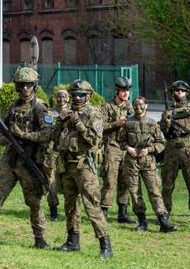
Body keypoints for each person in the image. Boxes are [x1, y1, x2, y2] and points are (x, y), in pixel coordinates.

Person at [0, 67, 53, 248]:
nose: (25, 89)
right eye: (21, 86)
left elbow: (48, 133)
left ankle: (40, 238)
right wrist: (3, 137)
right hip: (10, 158)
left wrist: (24, 136)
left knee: (34, 201)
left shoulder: (40, 107)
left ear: (34, 86)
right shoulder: (13, 106)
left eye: (28, 86)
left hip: (30, 159)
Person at [53, 80, 112, 259]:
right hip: (67, 164)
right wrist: (59, 122)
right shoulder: (68, 113)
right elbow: (56, 139)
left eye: (81, 95)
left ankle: (105, 246)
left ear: (88, 96)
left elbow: (93, 140)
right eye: (75, 95)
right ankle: (72, 241)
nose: (77, 98)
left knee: (92, 205)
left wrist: (78, 123)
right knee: (70, 205)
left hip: (84, 165)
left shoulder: (94, 113)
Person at [119, 97, 177, 232]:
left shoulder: (152, 123)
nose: (138, 108)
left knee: (154, 191)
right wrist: (128, 148)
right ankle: (142, 221)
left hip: (148, 162)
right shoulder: (128, 123)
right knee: (135, 192)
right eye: (135, 105)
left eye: (141, 105)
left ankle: (163, 222)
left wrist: (149, 150)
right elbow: (121, 141)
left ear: (146, 105)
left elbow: (161, 143)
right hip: (131, 162)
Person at [160, 80, 190, 226]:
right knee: (167, 185)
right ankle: (165, 214)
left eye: (182, 91)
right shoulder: (168, 109)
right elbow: (162, 131)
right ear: (173, 92)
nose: (179, 93)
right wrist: (166, 123)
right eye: (176, 91)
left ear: (186, 93)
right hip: (171, 151)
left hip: (189, 151)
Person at [100, 77, 136, 223]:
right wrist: (116, 123)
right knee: (110, 180)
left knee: (125, 180)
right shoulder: (107, 107)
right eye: (123, 91)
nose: (126, 93)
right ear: (117, 91)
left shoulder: (130, 107)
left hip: (126, 149)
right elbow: (99, 126)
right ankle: (103, 211)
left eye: (127, 91)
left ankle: (123, 212)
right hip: (112, 147)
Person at [44, 89, 70, 221]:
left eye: (64, 96)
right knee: (51, 182)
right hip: (52, 152)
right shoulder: (49, 113)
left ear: (68, 98)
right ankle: (53, 211)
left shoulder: (73, 113)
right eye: (58, 97)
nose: (61, 99)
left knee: (68, 182)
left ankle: (70, 210)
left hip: (68, 152)